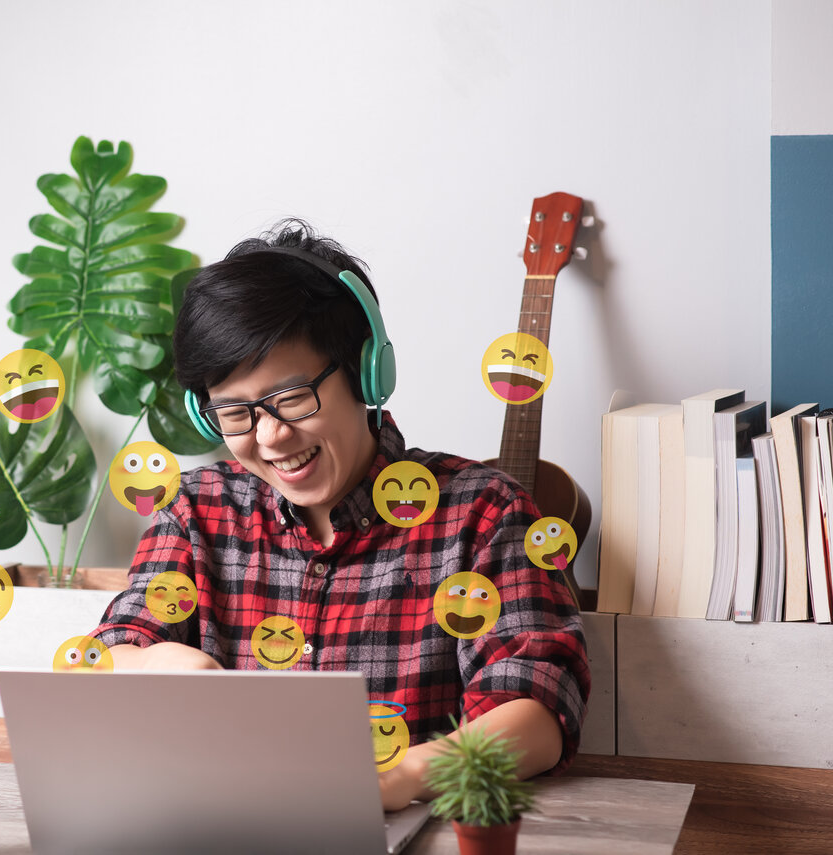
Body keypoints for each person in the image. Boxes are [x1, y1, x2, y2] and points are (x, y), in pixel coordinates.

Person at [92, 219, 589, 811]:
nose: (271, 436)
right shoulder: (196, 511)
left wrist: (401, 778)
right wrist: (152, 665)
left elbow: (537, 710)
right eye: (236, 414)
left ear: (366, 370)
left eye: (294, 398)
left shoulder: (483, 513)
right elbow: (109, 655)